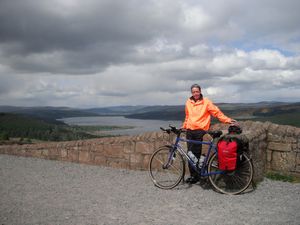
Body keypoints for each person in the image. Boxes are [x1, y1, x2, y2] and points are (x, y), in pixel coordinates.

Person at [182, 84, 236, 184]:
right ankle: (193, 176)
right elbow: (187, 116)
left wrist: (227, 120)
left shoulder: (206, 102)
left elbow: (216, 112)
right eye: (193, 92)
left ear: (200, 91)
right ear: (191, 93)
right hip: (189, 131)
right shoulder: (188, 102)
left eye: (197, 91)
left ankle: (198, 176)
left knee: (196, 153)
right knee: (190, 154)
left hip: (200, 131)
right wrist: (184, 126)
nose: (195, 93)